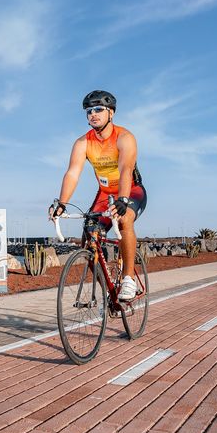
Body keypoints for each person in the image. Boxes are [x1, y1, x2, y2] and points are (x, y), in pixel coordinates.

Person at [48, 90, 146, 300]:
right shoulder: (83, 142)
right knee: (89, 239)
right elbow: (73, 173)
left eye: (99, 109)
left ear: (111, 113)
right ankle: (109, 291)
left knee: (125, 219)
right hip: (104, 193)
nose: (93, 114)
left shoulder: (124, 137)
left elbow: (126, 169)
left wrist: (123, 200)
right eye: (89, 111)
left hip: (131, 190)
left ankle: (128, 279)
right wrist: (62, 204)